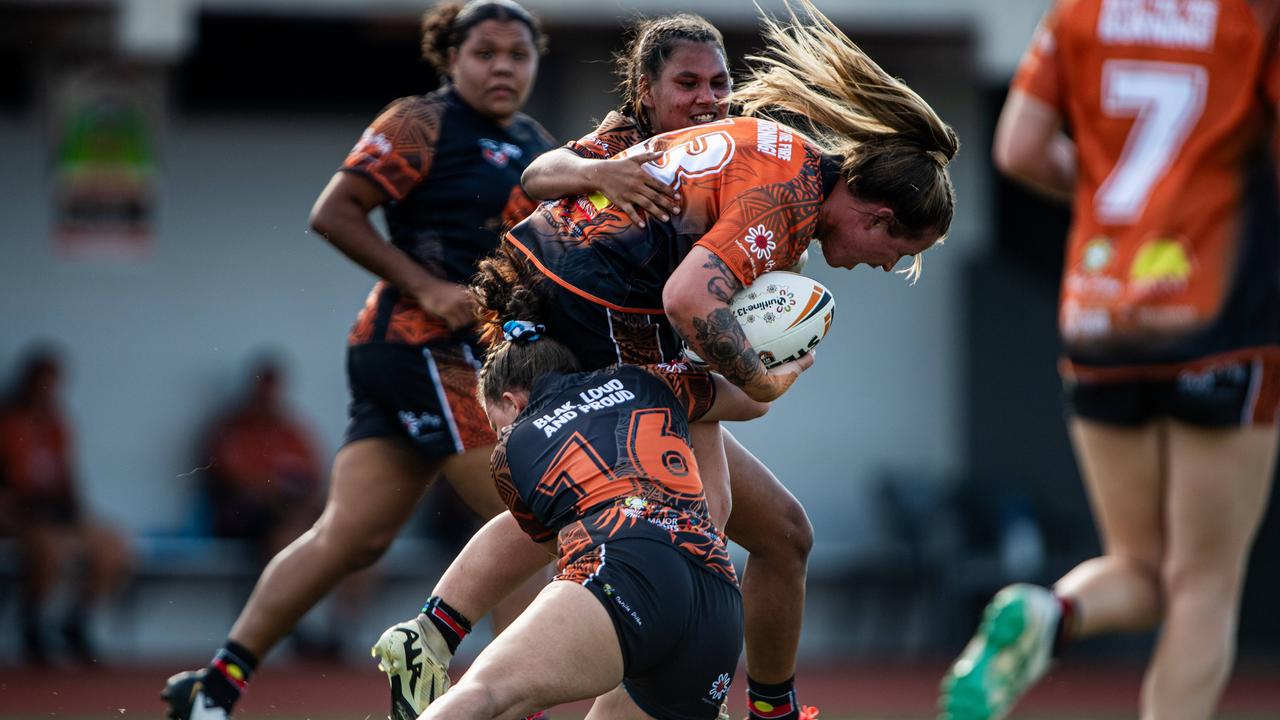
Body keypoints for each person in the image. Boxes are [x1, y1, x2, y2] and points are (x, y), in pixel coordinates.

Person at [377, 1, 958, 718]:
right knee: (697, 527)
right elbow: (688, 300)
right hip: (599, 313)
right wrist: (759, 374)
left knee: (777, 530)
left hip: (569, 301)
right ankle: (655, 693)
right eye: (897, 253)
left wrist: (745, 375)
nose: (882, 267)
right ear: (876, 216)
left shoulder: (779, 162)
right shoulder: (783, 193)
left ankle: (436, 631)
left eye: (717, 83)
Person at [161, 2, 555, 718]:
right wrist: (429, 287)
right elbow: (334, 212)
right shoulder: (420, 121)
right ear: (450, 58)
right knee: (527, 515)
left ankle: (213, 686)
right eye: (486, 52)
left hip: (450, 357)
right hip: (419, 349)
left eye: (518, 55)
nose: (503, 66)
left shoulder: (533, 143)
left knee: (352, 535)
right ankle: (492, 700)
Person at [939, 2, 1280, 719]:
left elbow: (1020, 149)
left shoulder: (1078, 13)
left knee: (1141, 567)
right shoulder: (1252, 17)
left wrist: (1112, 199)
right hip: (1221, 318)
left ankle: (1050, 612)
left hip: (1101, 312)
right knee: (1205, 584)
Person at [419, 266, 767, 720]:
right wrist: (794, 357)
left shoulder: (511, 451)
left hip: (625, 568)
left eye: (494, 421)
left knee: (482, 695)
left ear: (512, 402)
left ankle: (430, 631)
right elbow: (755, 399)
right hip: (717, 597)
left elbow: (550, 544)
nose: (498, 433)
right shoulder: (647, 379)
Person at [0, 347, 133, 665]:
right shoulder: (7, 423)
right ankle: (32, 626)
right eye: (42, 382)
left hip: (58, 511)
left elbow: (68, 479)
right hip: (23, 514)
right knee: (50, 551)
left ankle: (77, 622)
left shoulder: (56, 425)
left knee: (112, 546)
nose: (48, 391)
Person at [201, 357, 324, 561]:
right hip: (249, 517)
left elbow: (314, 475)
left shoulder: (289, 431)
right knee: (287, 532)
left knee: (342, 524)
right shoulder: (233, 430)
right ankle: (287, 586)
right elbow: (239, 482)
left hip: (292, 511)